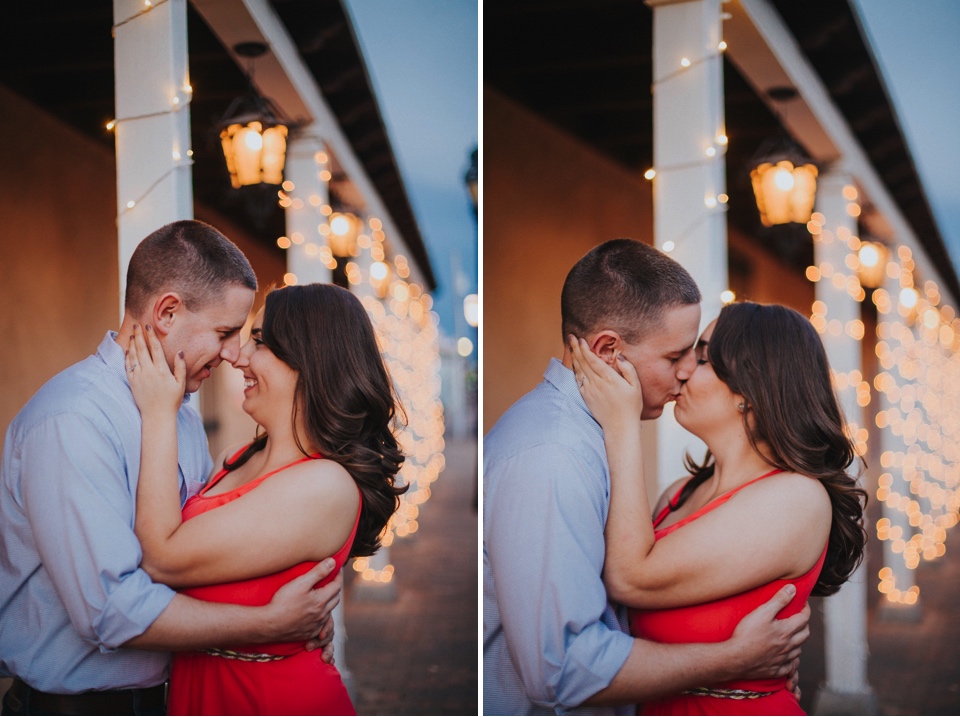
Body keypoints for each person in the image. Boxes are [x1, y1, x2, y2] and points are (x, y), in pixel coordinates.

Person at [0, 220, 340, 715]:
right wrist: (267, 625)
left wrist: (295, 623)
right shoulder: (71, 420)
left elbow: (191, 557)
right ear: (167, 312)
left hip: (167, 698)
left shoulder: (178, 413)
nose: (231, 354)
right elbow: (110, 612)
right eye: (224, 333)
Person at [483, 239, 811, 715]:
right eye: (676, 355)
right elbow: (562, 668)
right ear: (609, 350)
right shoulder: (551, 456)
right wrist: (734, 660)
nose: (686, 374)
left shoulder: (593, 441)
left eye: (698, 357)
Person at [569, 301, 867, 715]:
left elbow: (629, 578)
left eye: (704, 357)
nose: (684, 369)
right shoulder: (678, 493)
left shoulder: (796, 498)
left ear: (752, 388)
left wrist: (622, 423)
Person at [124, 282, 406, 715]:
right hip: (198, 692)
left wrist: (160, 412)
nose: (235, 357)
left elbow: (161, 558)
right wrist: (266, 622)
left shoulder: (325, 486)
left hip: (271, 698)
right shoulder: (233, 459)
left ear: (307, 358)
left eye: (257, 341)